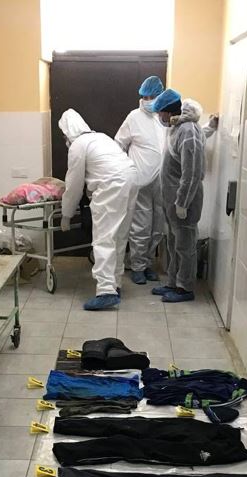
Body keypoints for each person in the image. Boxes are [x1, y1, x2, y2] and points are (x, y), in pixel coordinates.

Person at [59, 109, 138, 311]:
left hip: (111, 185)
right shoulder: (100, 137)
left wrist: (66, 215)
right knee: (119, 236)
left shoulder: (78, 145)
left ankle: (105, 291)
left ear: (68, 132)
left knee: (104, 238)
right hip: (131, 178)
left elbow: (74, 185)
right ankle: (115, 284)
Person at [150, 88, 208, 303]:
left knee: (185, 246)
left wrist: (182, 203)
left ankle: (185, 288)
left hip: (184, 202)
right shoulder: (177, 127)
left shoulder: (187, 130)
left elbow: (192, 172)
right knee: (174, 244)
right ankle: (173, 282)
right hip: (172, 200)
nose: (159, 117)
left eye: (160, 113)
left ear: (168, 111)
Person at [115, 75, 166, 285]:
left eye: (152, 96)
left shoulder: (164, 117)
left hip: (162, 182)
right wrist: (123, 171)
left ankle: (148, 264)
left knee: (158, 227)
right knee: (141, 227)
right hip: (140, 180)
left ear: (160, 95)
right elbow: (118, 144)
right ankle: (137, 266)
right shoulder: (133, 117)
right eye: (145, 97)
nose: (148, 100)